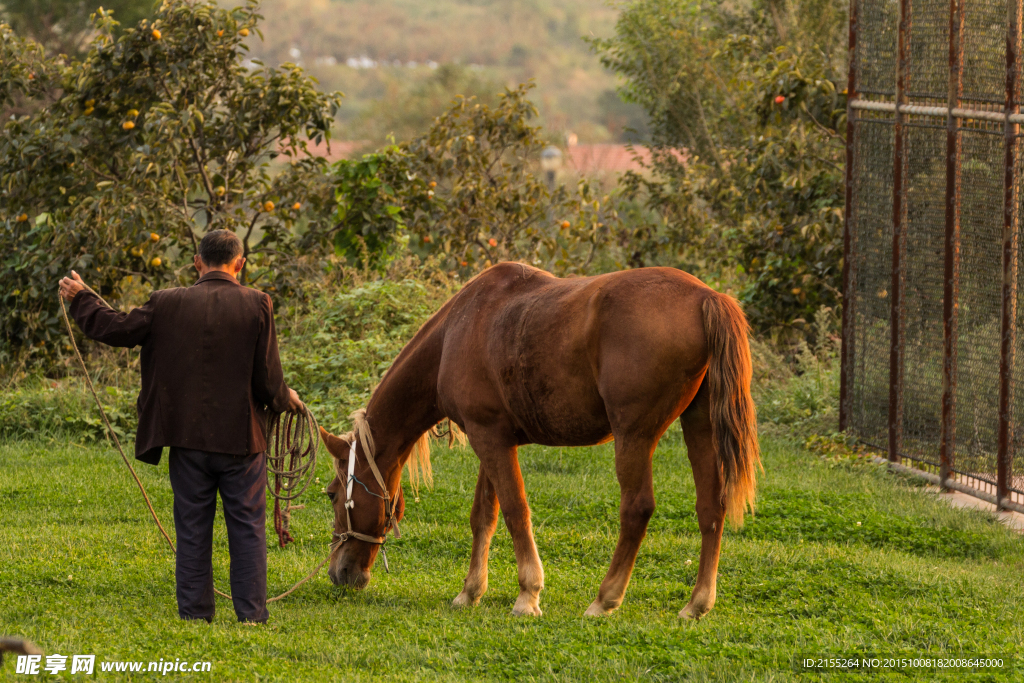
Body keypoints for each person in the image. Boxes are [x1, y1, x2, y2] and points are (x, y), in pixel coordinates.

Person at [58, 229, 304, 624]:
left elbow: (116, 329)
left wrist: (82, 298)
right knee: (248, 532)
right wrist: (285, 399)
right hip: (242, 443)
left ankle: (194, 616)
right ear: (240, 263)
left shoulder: (165, 302)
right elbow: (268, 380)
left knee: (191, 530)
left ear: (197, 262)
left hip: (186, 442)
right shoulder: (258, 303)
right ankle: (252, 617)